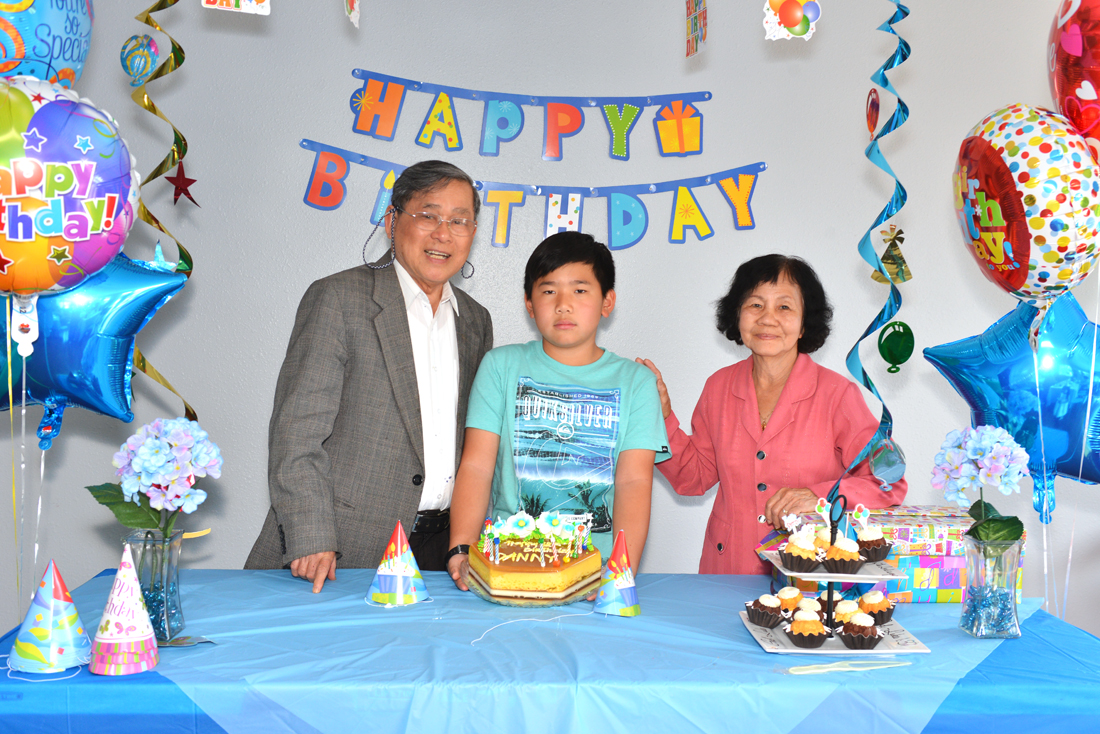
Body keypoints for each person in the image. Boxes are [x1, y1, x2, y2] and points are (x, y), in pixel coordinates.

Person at [245, 160, 494, 591]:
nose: (443, 233)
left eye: (459, 221)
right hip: (339, 551)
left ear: (472, 234)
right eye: (429, 215)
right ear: (392, 220)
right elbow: (297, 432)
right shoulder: (339, 298)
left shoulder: (475, 321)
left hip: (444, 554)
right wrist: (311, 536)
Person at [638, 254, 907, 575]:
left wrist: (818, 497)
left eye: (784, 307)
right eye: (755, 305)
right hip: (726, 569)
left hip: (809, 574)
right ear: (737, 314)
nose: (768, 318)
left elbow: (888, 484)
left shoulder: (839, 395)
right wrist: (662, 416)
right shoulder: (718, 387)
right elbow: (692, 478)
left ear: (805, 322)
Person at [445, 232, 669, 588]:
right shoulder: (500, 366)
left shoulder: (636, 381)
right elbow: (476, 465)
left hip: (597, 571)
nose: (563, 304)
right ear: (530, 304)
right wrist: (461, 547)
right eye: (549, 291)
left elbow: (634, 481)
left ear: (606, 301)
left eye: (580, 290)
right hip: (509, 567)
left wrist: (620, 569)